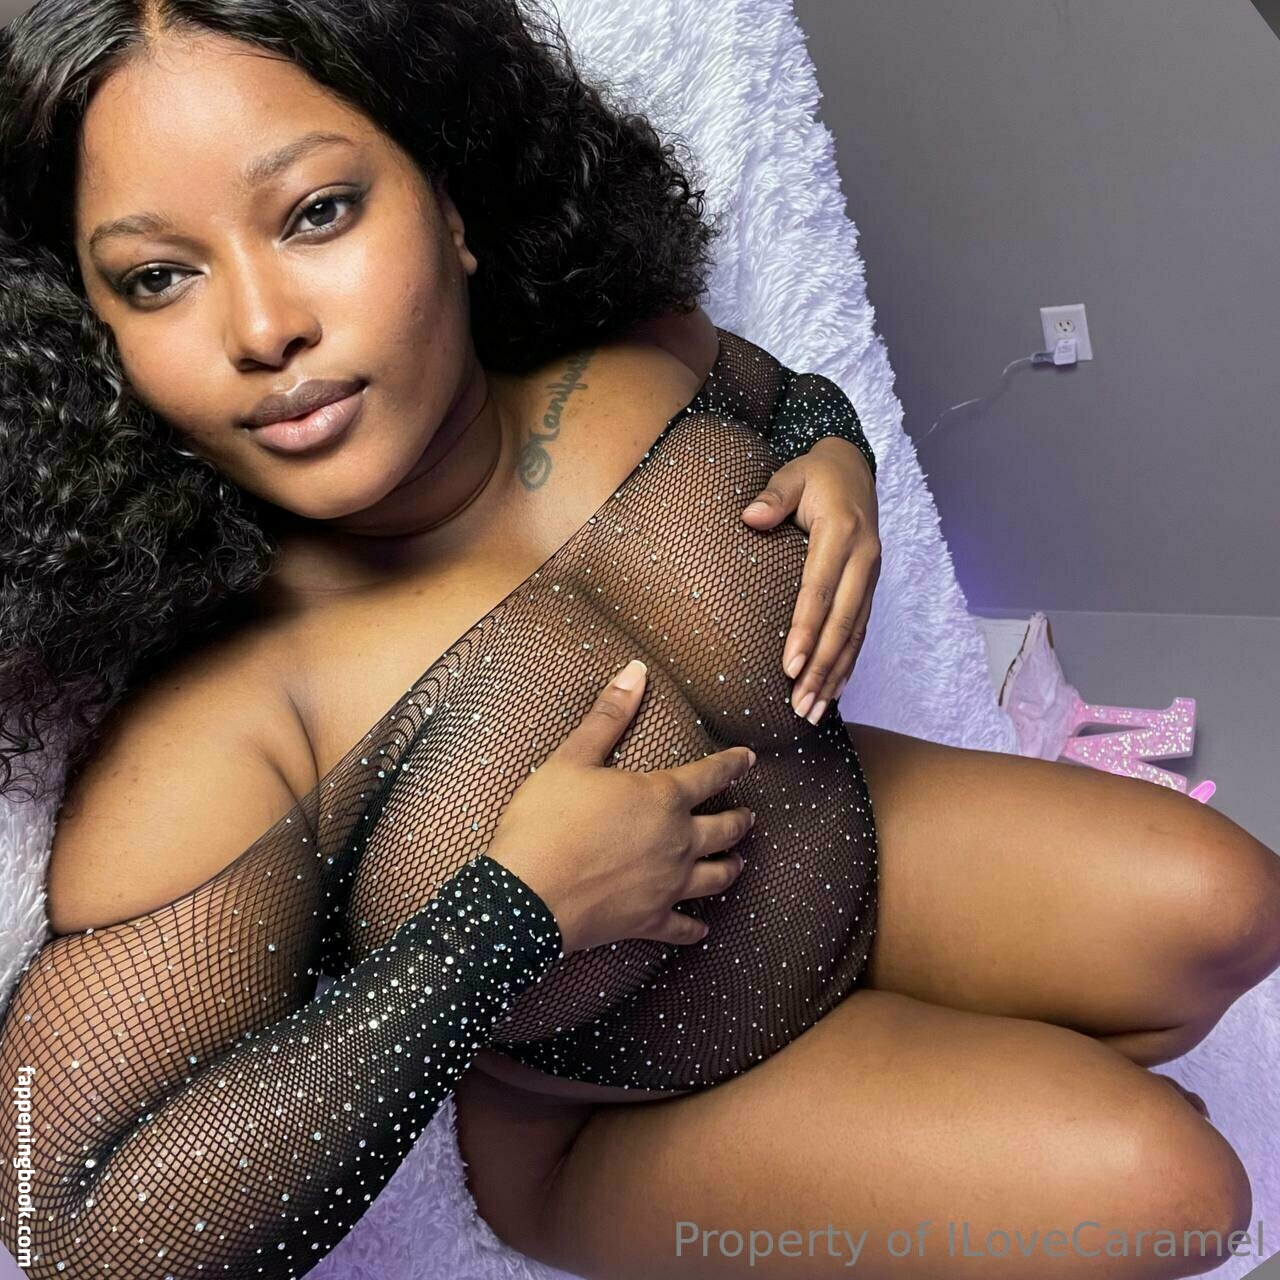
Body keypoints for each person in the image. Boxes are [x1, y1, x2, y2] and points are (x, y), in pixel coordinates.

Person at [0, 2, 1277, 1278]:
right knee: (1168, 1194)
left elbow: (783, 392)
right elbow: (63, 1226)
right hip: (614, 1110)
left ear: (449, 202)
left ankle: (949, 1091)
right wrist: (498, 924)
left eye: (318, 212)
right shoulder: (229, 721)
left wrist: (832, 455)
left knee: (1231, 908)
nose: (262, 327)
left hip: (850, 851)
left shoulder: (623, 368)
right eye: (157, 277)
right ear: (89, 332)